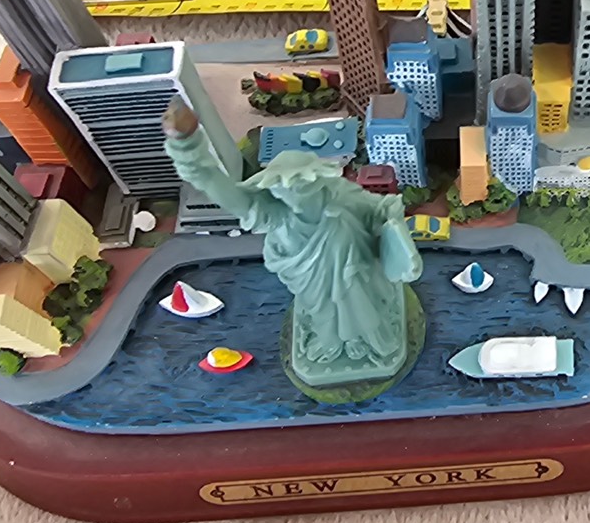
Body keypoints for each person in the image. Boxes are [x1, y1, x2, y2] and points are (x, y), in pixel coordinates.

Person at [162, 101, 421, 372]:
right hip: (315, 286)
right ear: (276, 191)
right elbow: (219, 188)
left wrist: (392, 219)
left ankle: (370, 340)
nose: (296, 193)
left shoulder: (338, 195)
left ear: (316, 180)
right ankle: (332, 342)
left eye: (304, 185)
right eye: (286, 189)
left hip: (359, 275)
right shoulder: (277, 216)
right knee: (324, 318)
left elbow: (376, 208)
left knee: (368, 315)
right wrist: (188, 148)